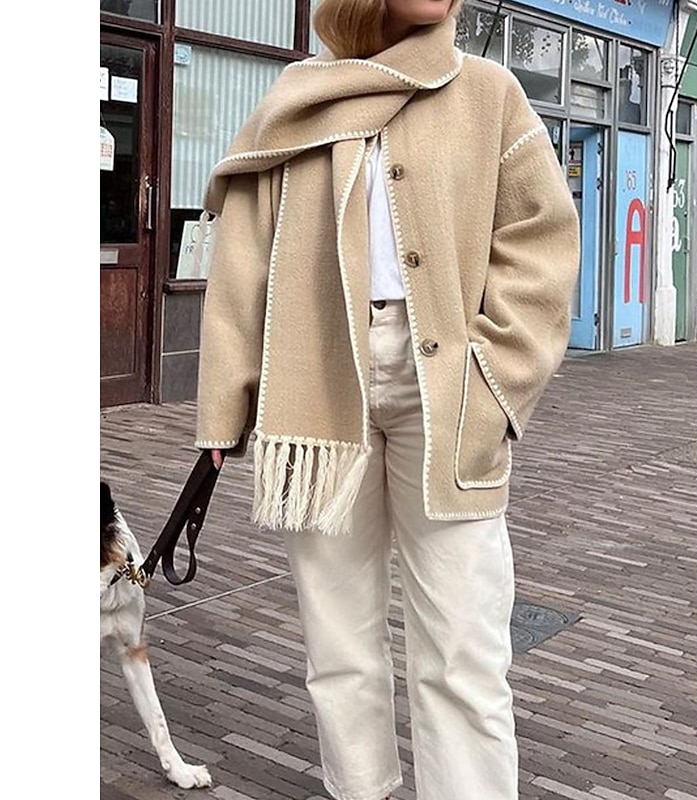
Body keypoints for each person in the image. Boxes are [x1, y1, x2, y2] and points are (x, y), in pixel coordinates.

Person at [194, 1, 579, 798]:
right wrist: (225, 406)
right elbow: (241, 262)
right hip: (313, 388)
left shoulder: (488, 94)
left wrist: (493, 378)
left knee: (465, 652)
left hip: (447, 388)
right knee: (338, 649)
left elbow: (541, 240)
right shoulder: (298, 97)